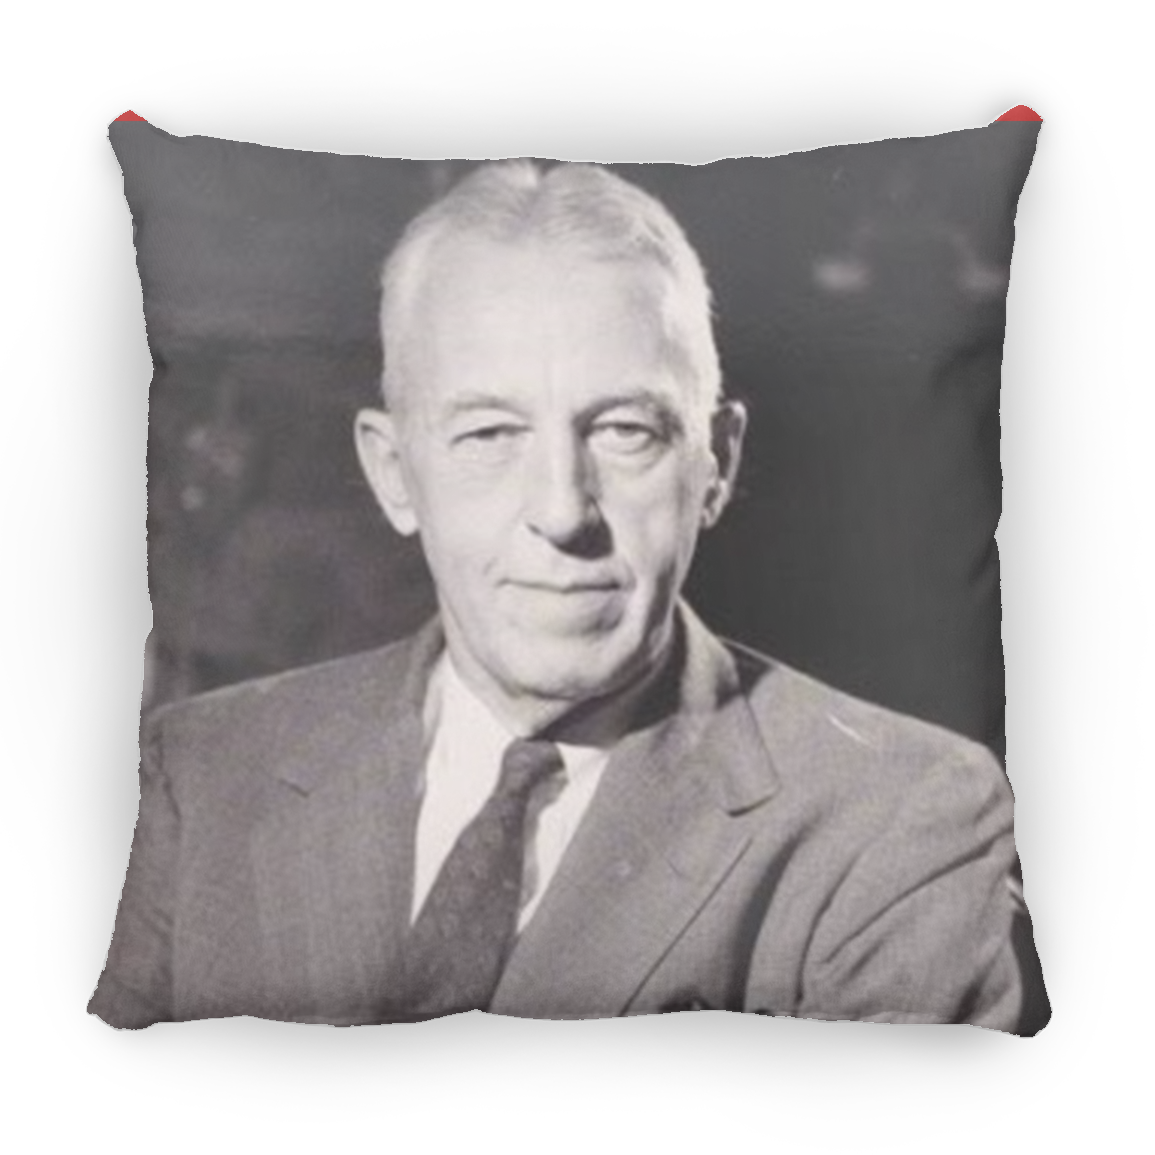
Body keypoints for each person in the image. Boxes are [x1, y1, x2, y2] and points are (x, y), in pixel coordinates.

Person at [90, 159, 1048, 1030]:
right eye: (488, 434)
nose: (560, 510)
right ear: (393, 474)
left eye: (625, 430)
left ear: (715, 462)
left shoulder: (904, 823)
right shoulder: (203, 774)